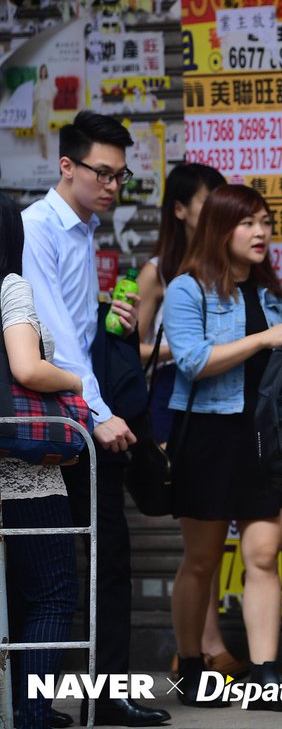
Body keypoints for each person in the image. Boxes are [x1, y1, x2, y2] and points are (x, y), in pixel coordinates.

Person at [21, 111, 170, 727]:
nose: (112, 186)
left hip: (81, 414)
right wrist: (100, 414)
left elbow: (77, 329)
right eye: (101, 173)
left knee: (108, 560)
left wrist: (113, 317)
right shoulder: (39, 228)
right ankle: (32, 704)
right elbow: (50, 333)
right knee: (50, 570)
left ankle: (104, 697)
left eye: (120, 175)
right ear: (67, 166)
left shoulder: (84, 230)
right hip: (55, 423)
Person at [162, 185, 282, 711]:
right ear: (220, 228)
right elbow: (193, 361)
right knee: (201, 560)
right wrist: (266, 339)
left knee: (264, 555)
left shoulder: (271, 294)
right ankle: (193, 667)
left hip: (265, 436)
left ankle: (267, 676)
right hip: (208, 434)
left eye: (265, 222)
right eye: (248, 223)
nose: (261, 232)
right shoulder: (187, 288)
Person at [135, 162, 249, 681]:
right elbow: (133, 347)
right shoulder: (162, 273)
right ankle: (199, 647)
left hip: (227, 406)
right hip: (176, 402)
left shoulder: (234, 270)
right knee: (199, 540)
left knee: (211, 542)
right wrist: (184, 349)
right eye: (208, 202)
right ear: (181, 210)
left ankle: (206, 643)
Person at [1, 193, 81, 729]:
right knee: (52, 593)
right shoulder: (11, 285)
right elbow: (28, 369)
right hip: (22, 473)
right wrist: (76, 381)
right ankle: (30, 714)